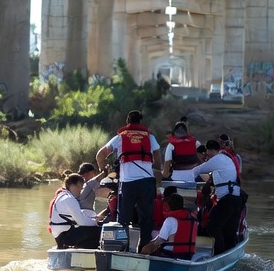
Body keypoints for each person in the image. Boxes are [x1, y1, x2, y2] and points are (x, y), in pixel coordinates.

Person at [96, 110, 162, 250]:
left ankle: (122, 249)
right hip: (146, 182)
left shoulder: (120, 138)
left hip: (127, 185)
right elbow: (157, 155)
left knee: (123, 220)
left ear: (127, 122)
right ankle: (143, 248)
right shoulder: (150, 137)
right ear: (140, 122)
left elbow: (100, 154)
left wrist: (103, 169)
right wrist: (156, 170)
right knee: (146, 219)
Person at [190, 138, 243, 254]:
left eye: (209, 153)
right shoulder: (227, 158)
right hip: (236, 199)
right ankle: (228, 254)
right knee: (228, 230)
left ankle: (219, 252)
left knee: (212, 226)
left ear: (212, 151)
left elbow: (197, 170)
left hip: (227, 200)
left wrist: (188, 183)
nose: (208, 156)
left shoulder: (218, 158)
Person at [47, 173, 100, 249]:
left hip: (60, 234)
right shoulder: (69, 199)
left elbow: (78, 215)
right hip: (64, 236)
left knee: (90, 228)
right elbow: (82, 222)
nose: (80, 192)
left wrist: (93, 218)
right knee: (97, 231)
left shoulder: (63, 195)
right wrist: (96, 223)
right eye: (81, 188)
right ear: (76, 185)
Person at [142, 192, 198, 260]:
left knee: (146, 250)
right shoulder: (193, 221)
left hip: (172, 255)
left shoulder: (170, 220)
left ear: (169, 205)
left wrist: (145, 249)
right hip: (188, 256)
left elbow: (159, 241)